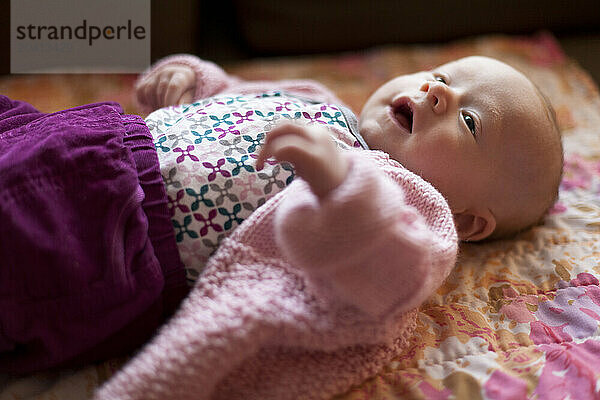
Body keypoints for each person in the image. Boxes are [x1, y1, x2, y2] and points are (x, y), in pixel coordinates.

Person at [88, 54, 562, 399]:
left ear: (467, 221)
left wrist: (343, 189)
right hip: (101, 140)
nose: (437, 91)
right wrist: (191, 79)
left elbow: (393, 267)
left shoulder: (412, 207)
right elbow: (234, 91)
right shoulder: (321, 100)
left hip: (119, 238)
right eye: (440, 76)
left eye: (471, 120)